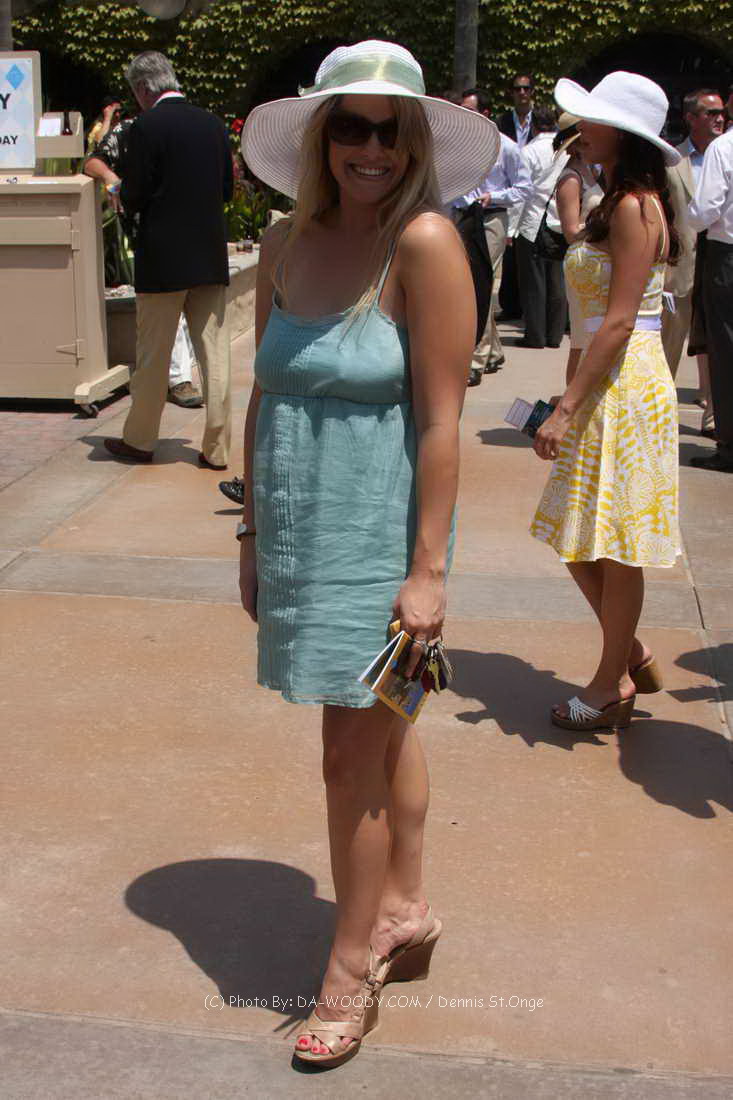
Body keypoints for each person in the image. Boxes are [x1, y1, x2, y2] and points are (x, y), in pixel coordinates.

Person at [239, 39, 497, 1066]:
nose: (372, 148)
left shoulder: (424, 242)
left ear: (416, 142)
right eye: (351, 125)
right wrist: (252, 535)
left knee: (348, 754)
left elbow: (441, 422)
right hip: (300, 529)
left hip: (380, 538)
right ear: (321, 136)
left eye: (392, 130)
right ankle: (402, 907)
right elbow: (264, 395)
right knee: (387, 729)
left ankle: (349, 967)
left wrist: (426, 572)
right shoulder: (283, 241)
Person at [530, 71, 682, 732]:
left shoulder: (633, 207)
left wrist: (566, 407)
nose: (579, 130)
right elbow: (595, 322)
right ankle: (630, 653)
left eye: (590, 120)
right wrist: (569, 392)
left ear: (622, 133)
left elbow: (620, 321)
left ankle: (610, 680)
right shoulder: (619, 201)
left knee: (614, 541)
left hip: (626, 384)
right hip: (606, 378)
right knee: (576, 531)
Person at [104, 51, 233, 467]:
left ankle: (140, 440)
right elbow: (226, 190)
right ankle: (217, 450)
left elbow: (135, 193)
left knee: (153, 357)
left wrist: (117, 190)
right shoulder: (213, 124)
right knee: (215, 355)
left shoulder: (146, 127)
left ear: (144, 88)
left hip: (162, 260)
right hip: (209, 256)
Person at [84, 118, 204, 409]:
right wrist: (112, 179)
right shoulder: (128, 130)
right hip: (146, 237)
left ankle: (174, 377)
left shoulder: (181, 128)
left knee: (177, 306)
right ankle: (175, 380)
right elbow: (93, 163)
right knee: (165, 307)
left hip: (183, 230)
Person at [455, 88, 532, 384]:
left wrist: (494, 196)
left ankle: (476, 358)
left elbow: (523, 188)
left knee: (481, 283)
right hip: (463, 217)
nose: (463, 114)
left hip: (491, 218)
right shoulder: (457, 144)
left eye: (469, 109)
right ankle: (494, 350)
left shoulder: (507, 147)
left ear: (485, 113)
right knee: (472, 282)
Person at [662, 89, 725, 401]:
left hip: (719, 267)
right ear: (690, 118)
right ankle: (657, 406)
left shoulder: (727, 155)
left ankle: (714, 412)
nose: (720, 118)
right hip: (680, 270)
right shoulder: (671, 161)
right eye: (711, 113)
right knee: (669, 344)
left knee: (719, 344)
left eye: (722, 112)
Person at [688, 116, 733, 472]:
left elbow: (704, 211)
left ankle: (730, 445)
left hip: (727, 256)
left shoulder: (723, 148)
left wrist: (688, 215)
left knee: (725, 350)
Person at [515, 107, 569, 349]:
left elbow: (522, 191)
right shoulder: (566, 150)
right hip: (559, 220)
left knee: (534, 283)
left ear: (533, 126)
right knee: (557, 282)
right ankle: (555, 335)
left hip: (533, 221)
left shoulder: (529, 151)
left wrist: (512, 229)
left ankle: (535, 335)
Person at [497, 73, 534, 148]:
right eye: (517, 89)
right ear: (512, 93)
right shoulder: (501, 123)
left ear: (532, 91)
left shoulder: (541, 121)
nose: (522, 92)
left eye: (526, 88)